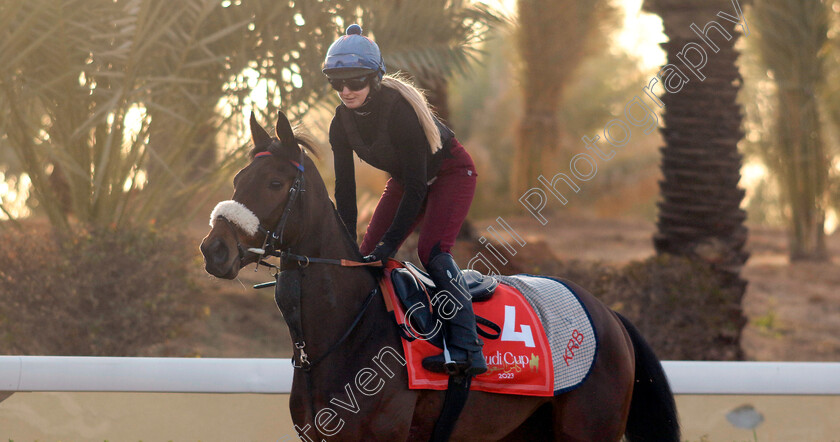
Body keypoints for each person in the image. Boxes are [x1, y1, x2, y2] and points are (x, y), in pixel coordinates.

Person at [323, 24, 486, 376]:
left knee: (432, 251)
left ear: (374, 78)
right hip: (407, 180)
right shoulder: (340, 123)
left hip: (450, 174)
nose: (346, 91)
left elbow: (417, 189)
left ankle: (468, 349)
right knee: (366, 258)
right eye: (337, 83)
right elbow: (345, 192)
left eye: (355, 82)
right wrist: (348, 245)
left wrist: (389, 245)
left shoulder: (400, 113)